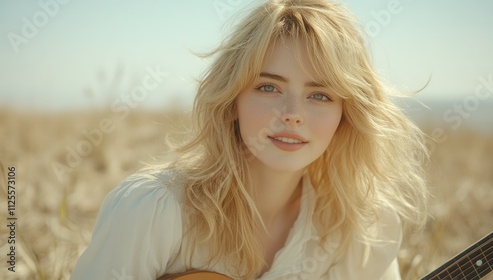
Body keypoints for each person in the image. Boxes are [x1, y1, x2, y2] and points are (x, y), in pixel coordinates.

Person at [70, 0, 428, 279]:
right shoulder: (152, 211)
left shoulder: (365, 231)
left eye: (320, 95)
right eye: (268, 87)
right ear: (232, 101)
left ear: (346, 116)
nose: (292, 113)